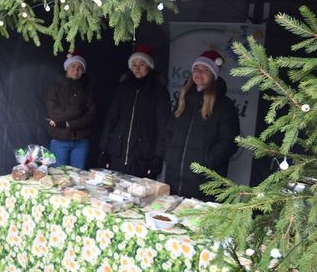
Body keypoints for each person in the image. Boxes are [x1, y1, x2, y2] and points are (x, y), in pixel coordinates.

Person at [161, 50, 240, 201]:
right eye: (196, 68)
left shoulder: (224, 105)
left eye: (205, 70)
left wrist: (206, 162)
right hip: (174, 180)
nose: (199, 73)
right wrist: (168, 154)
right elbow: (168, 131)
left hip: (203, 184)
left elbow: (230, 142)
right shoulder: (183, 100)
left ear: (214, 75)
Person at [98, 44, 170, 179]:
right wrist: (104, 149)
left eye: (142, 64)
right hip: (117, 152)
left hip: (143, 155)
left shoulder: (159, 91)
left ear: (149, 66)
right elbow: (111, 120)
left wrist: (159, 156)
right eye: (134, 64)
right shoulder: (122, 88)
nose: (137, 68)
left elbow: (163, 127)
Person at [45, 51, 96, 169]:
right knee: (58, 174)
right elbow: (53, 113)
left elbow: (91, 116)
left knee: (78, 176)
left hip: (81, 141)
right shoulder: (54, 88)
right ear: (66, 68)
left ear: (83, 71)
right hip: (59, 140)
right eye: (73, 66)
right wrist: (77, 111)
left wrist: (69, 124)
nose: (76, 71)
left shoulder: (87, 90)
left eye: (80, 68)